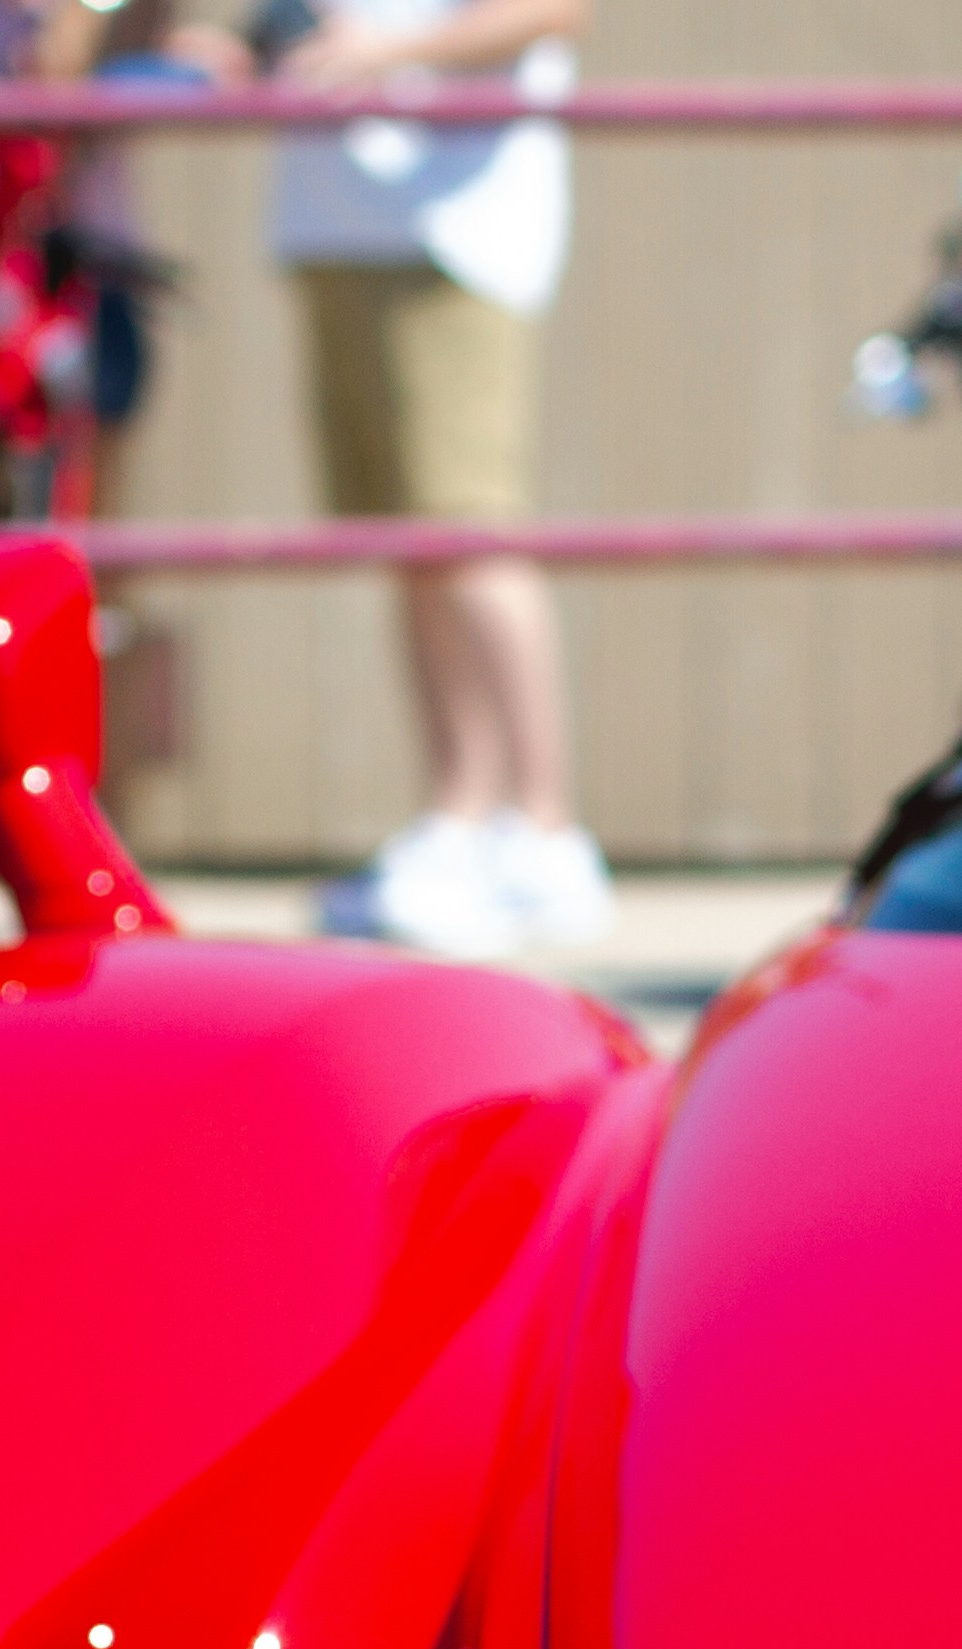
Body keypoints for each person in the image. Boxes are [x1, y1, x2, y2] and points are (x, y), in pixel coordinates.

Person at [173, 0, 607, 958]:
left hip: (451, 230)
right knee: (413, 547)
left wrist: (390, 55)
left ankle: (546, 835)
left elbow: (556, 12)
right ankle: (460, 821)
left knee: (472, 529)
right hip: (337, 226)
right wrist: (246, 49)